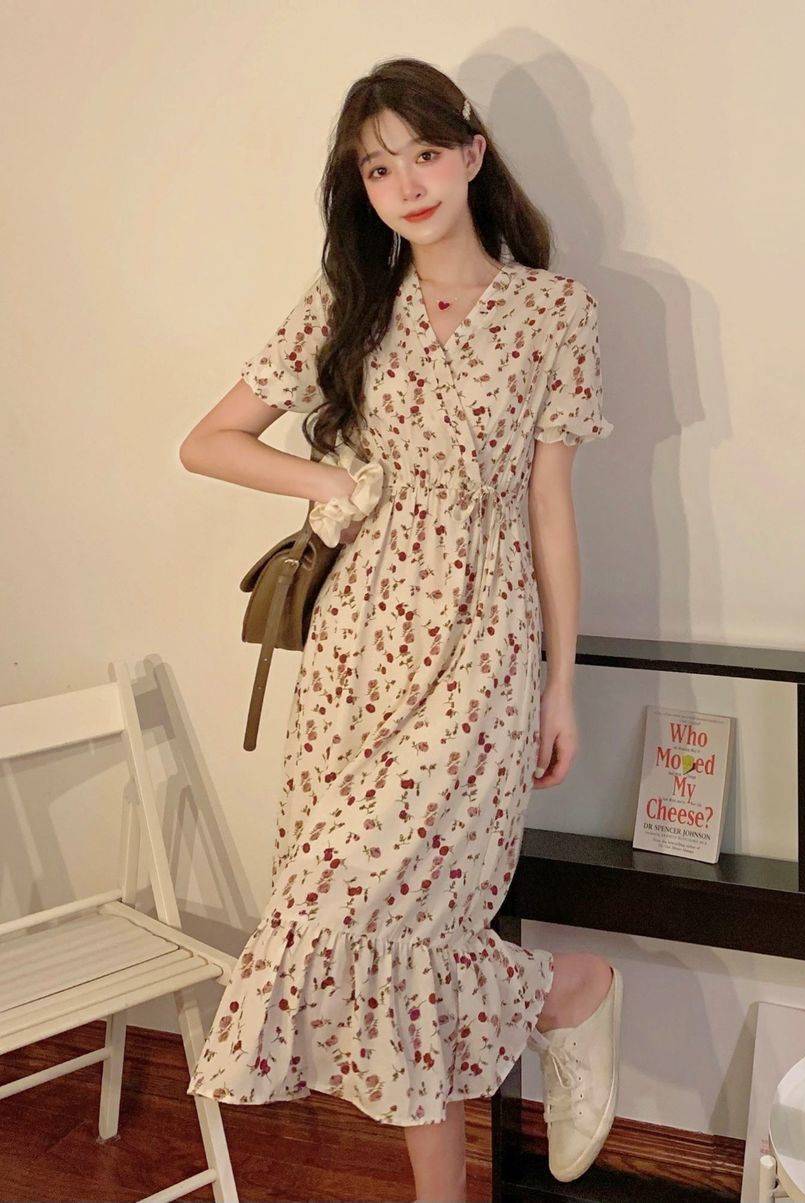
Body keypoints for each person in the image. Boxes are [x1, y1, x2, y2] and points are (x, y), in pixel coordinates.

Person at [178, 57, 621, 1201]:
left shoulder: (554, 312)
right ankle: (490, 1112)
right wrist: (331, 485)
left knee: (368, 905)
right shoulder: (348, 305)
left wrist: (561, 687)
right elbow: (208, 441)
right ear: (361, 188)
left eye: (425, 154)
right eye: (380, 168)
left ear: (472, 153)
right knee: (387, 939)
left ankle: (570, 992)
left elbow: (551, 511)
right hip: (358, 646)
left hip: (483, 642)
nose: (408, 184)